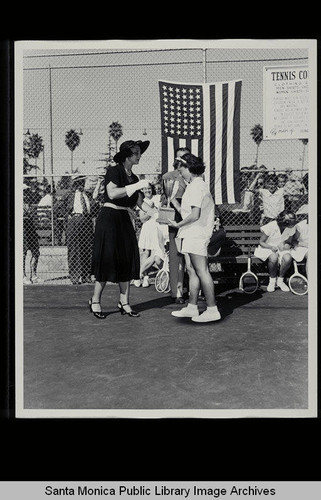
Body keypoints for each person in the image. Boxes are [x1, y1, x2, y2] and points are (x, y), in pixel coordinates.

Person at [90, 140, 152, 319]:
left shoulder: (135, 178)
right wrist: (136, 187)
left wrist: (162, 215)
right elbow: (113, 193)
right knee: (106, 258)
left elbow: (141, 204)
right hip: (109, 218)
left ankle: (124, 302)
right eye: (136, 152)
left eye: (140, 152)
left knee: (126, 259)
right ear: (127, 155)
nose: (139, 155)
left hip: (124, 220)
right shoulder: (114, 171)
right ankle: (95, 301)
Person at [165, 153, 220, 323]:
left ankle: (212, 310)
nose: (180, 174)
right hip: (190, 234)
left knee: (202, 271)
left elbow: (195, 215)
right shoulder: (193, 186)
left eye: (181, 171)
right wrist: (172, 200)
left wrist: (177, 225)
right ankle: (192, 307)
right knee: (192, 271)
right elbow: (187, 212)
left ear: (189, 168)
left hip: (197, 234)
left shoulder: (197, 186)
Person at [161, 147, 190, 304]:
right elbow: (168, 198)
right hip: (175, 217)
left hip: (191, 217)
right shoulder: (168, 176)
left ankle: (194, 289)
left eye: (184, 158)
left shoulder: (193, 176)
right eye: (179, 158)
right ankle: (176, 292)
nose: (181, 161)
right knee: (175, 255)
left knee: (191, 254)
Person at [254, 210, 297, 292]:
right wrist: (271, 247)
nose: (288, 225)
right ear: (282, 221)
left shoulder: (291, 227)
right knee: (274, 257)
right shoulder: (271, 226)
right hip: (267, 248)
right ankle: (272, 281)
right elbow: (261, 242)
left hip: (281, 250)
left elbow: (289, 242)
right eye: (287, 223)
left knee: (288, 258)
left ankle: (280, 281)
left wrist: (286, 245)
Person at [65, 173, 94, 285]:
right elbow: (60, 207)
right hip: (75, 220)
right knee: (74, 249)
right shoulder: (70, 195)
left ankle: (86, 275)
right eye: (81, 182)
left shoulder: (87, 195)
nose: (83, 184)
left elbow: (93, 208)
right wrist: (68, 215)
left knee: (87, 248)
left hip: (86, 221)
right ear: (77, 183)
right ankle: (75, 276)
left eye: (83, 182)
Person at [136, 184, 167, 288]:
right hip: (147, 229)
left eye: (149, 188)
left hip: (157, 228)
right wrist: (151, 209)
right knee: (145, 253)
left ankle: (141, 276)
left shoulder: (157, 198)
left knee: (155, 253)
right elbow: (143, 219)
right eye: (145, 189)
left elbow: (162, 211)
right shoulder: (141, 200)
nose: (147, 190)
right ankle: (144, 277)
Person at [23, 185, 43, 284]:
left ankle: (33, 275)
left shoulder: (28, 204)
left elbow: (32, 216)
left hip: (31, 229)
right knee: (23, 253)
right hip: (23, 229)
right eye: (24, 192)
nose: (26, 194)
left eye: (27, 191)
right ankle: (23, 276)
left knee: (36, 252)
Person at [291, 207, 309, 276]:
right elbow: (293, 241)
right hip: (302, 248)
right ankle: (311, 281)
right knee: (311, 255)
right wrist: (304, 244)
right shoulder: (300, 226)